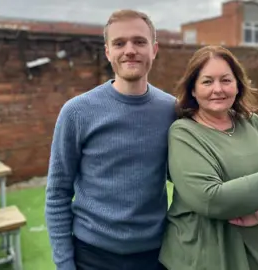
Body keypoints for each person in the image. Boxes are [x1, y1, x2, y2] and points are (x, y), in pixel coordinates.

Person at [45, 9, 176, 270]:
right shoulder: (77, 112)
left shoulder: (173, 110)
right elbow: (58, 193)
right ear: (107, 52)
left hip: (157, 255)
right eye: (119, 43)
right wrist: (64, 264)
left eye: (139, 41)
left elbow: (186, 178)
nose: (130, 50)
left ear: (154, 49)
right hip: (92, 256)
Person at [158, 45, 258, 270]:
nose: (218, 89)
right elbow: (212, 200)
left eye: (226, 80)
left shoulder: (253, 122)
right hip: (210, 257)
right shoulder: (183, 133)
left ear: (238, 85)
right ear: (193, 90)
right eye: (207, 82)